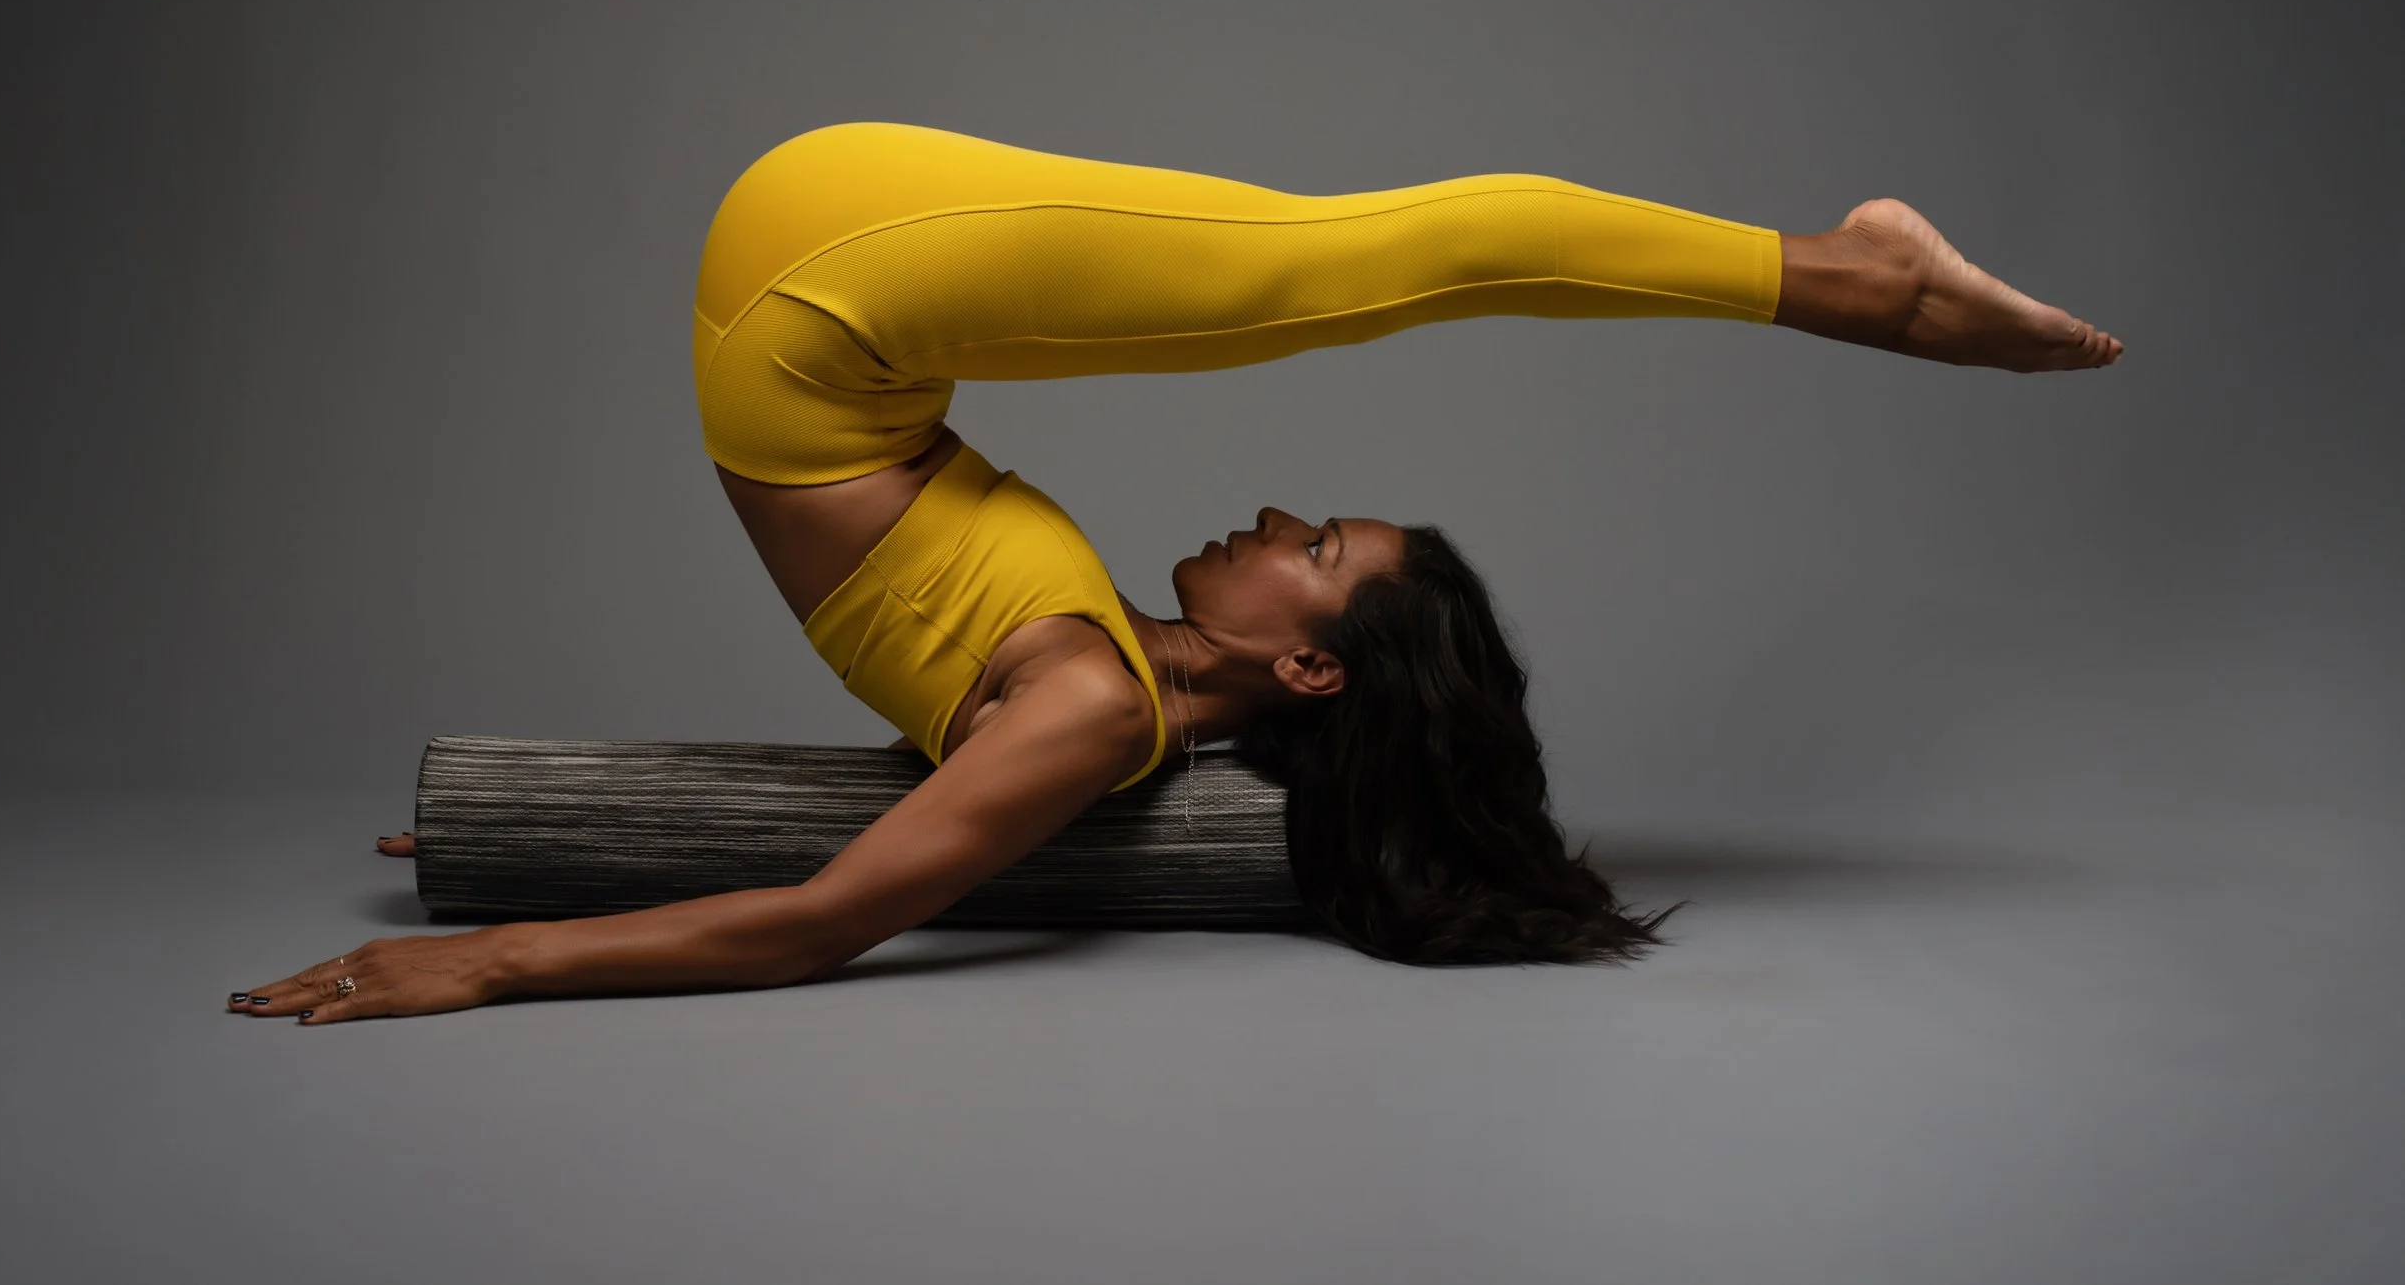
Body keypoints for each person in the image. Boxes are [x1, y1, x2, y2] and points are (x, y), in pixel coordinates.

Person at [230, 121, 2120, 1024]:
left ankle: (1865, 281)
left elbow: (826, 922)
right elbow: (885, 830)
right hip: (837, 310)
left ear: (1311, 668)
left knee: (1372, 260)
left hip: (828, 293)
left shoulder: (1077, 712)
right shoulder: (1116, 686)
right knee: (1353, 267)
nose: (1284, 519)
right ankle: (1859, 281)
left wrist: (483, 958)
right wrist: (565, 830)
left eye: (1317, 553)